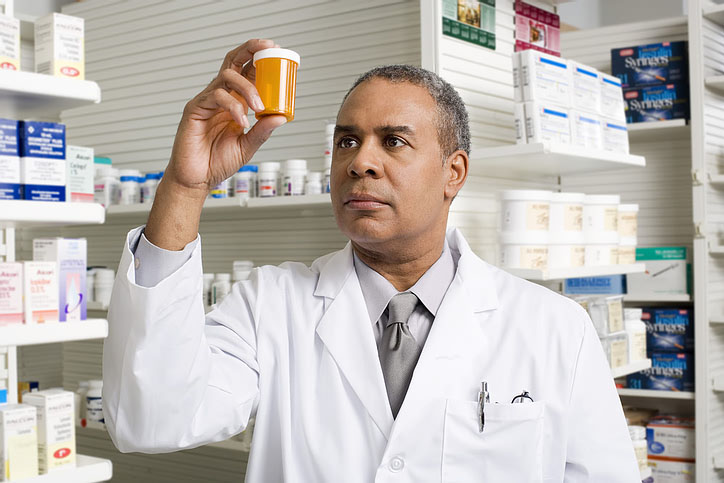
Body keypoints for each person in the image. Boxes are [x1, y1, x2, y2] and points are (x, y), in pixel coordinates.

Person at [103, 38, 640, 482]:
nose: (361, 162)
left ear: (453, 172)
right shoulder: (271, 306)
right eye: (347, 141)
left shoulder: (555, 328)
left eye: (394, 141)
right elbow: (152, 419)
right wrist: (185, 186)